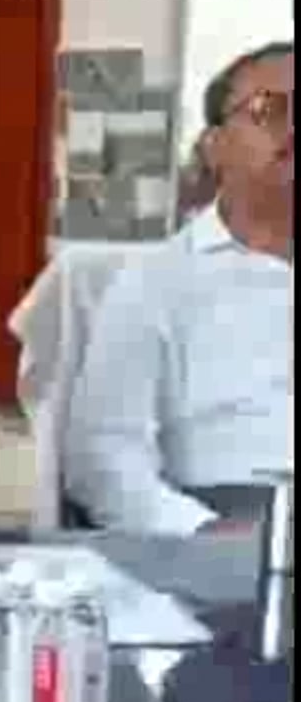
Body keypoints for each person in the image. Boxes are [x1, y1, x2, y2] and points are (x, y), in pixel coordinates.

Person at [63, 42, 293, 534]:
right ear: (214, 146)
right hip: (228, 527)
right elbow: (102, 459)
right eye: (270, 110)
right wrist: (204, 532)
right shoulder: (157, 281)